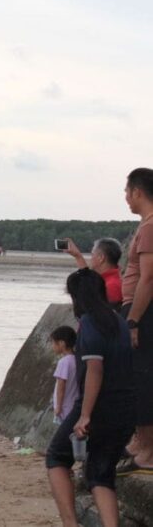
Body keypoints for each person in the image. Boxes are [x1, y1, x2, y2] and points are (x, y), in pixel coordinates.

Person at [46, 269, 135, 527]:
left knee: (56, 456)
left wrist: (85, 415)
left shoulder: (89, 323)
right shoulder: (118, 320)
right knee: (100, 475)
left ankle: (70, 523)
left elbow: (95, 369)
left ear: (76, 297)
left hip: (98, 408)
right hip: (126, 407)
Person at [120, 167, 153, 473]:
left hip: (144, 311)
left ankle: (147, 448)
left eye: (127, 191)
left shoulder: (149, 227)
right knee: (139, 375)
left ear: (138, 192)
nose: (126, 197)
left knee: (143, 377)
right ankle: (141, 442)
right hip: (141, 309)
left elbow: (147, 278)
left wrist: (133, 320)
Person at [62, 238, 123, 308]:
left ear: (101, 258)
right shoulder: (109, 279)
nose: (91, 258)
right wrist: (78, 256)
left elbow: (98, 311)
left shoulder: (111, 286)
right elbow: (87, 277)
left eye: (92, 254)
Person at [50, 325, 79, 424]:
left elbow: (61, 385)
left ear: (62, 343)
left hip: (65, 407)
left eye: (53, 343)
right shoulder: (76, 359)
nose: (52, 346)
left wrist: (58, 407)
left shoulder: (64, 362)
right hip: (74, 404)